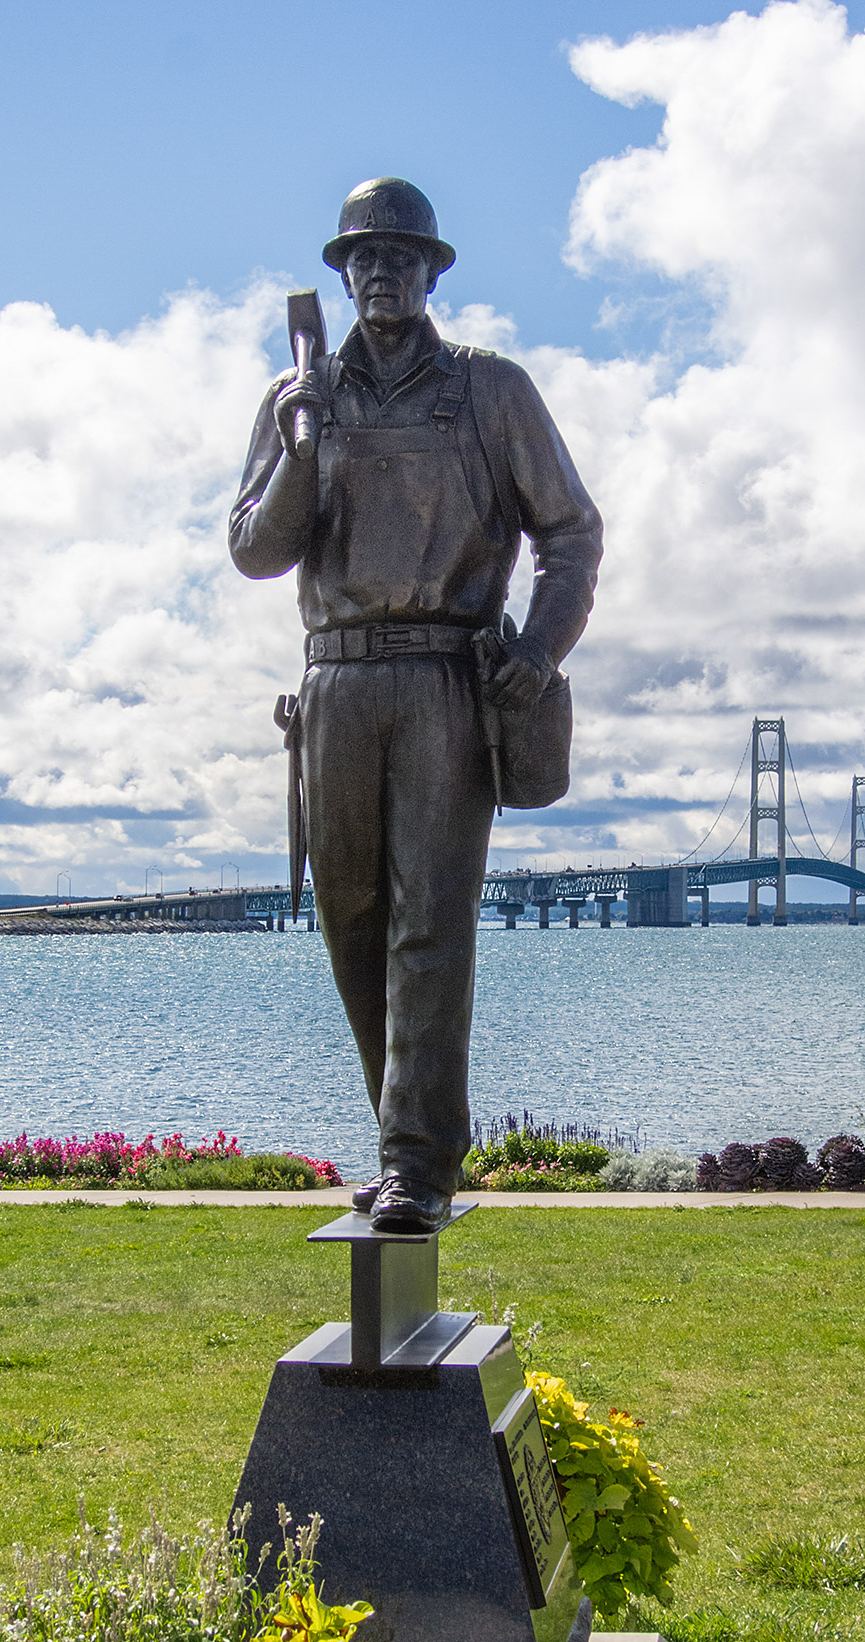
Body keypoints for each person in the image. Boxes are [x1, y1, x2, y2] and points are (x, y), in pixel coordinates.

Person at [229, 178, 602, 1231]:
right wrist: (302, 448)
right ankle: (404, 1140)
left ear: (434, 271)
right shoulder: (297, 398)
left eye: (402, 256)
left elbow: (570, 532)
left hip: (445, 680)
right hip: (335, 682)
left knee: (429, 923)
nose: (381, 273)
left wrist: (537, 646)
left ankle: (417, 1162)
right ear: (341, 274)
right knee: (350, 921)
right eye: (363, 257)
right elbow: (256, 549)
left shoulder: (491, 392)